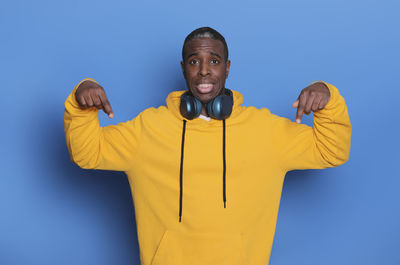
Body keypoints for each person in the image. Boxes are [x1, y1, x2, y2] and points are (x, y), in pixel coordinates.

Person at [64, 26, 351, 265]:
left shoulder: (266, 131)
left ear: (227, 68)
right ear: (183, 68)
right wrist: (82, 100)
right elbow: (88, 154)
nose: (203, 71)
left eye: (214, 61)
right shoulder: (148, 129)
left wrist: (327, 98)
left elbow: (331, 151)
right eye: (194, 61)